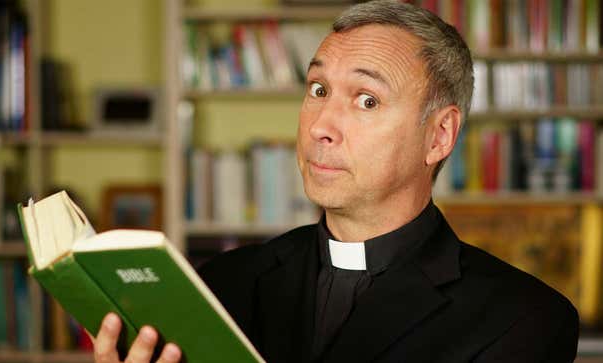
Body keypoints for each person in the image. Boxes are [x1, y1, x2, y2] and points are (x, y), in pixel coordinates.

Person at [92, 1, 579, 362]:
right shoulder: (218, 286)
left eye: (366, 100)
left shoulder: (524, 321)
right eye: (318, 89)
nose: (320, 125)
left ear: (439, 135)